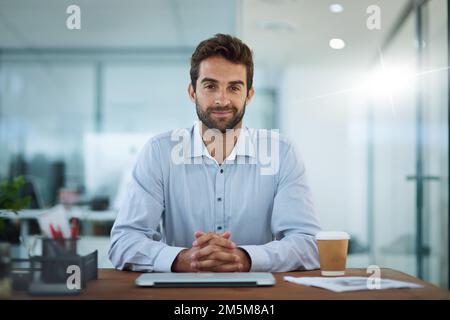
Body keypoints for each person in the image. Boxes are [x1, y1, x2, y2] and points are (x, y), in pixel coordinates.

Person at [109, 34, 321, 272]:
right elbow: (123, 242)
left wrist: (247, 258)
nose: (222, 100)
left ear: (249, 95)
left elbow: (308, 242)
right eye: (210, 86)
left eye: (234, 87)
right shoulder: (159, 152)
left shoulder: (282, 153)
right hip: (178, 293)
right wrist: (181, 259)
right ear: (192, 92)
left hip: (255, 297)